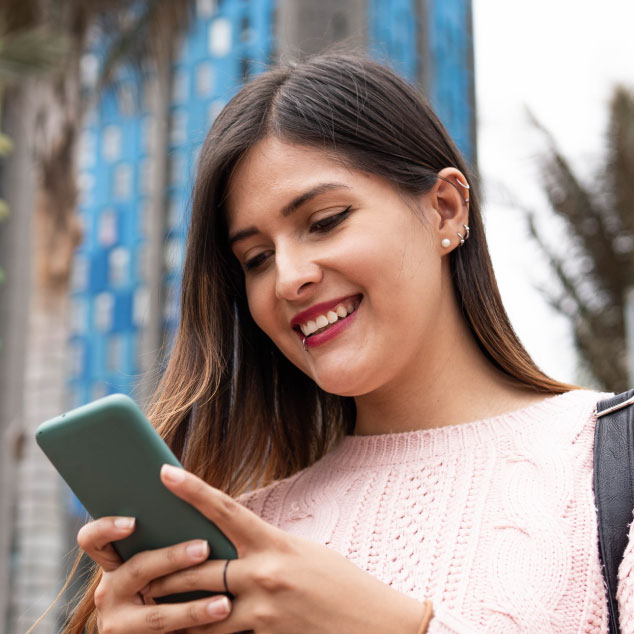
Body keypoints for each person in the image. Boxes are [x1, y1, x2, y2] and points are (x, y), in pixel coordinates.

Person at [66, 53, 634, 633]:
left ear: (445, 208)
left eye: (326, 220)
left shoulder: (609, 460)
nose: (288, 278)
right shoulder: (244, 547)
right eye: (257, 259)